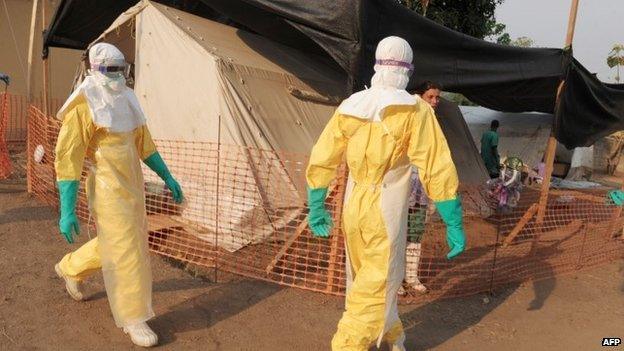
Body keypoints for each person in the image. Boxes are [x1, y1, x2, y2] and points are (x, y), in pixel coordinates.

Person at [306, 36, 466, 351]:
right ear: (408, 69)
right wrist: (453, 220)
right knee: (377, 283)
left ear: (377, 64)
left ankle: (393, 335)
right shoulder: (416, 111)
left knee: (364, 276)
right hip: (385, 208)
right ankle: (348, 344)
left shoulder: (351, 105)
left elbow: (322, 156)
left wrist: (316, 205)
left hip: (353, 205)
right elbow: (437, 166)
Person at [53, 42, 183, 348]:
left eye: (122, 70)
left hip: (132, 186)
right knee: (127, 248)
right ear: (95, 70)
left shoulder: (127, 100)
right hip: (107, 188)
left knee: (121, 241)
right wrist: (67, 209)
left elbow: (144, 144)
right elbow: (67, 158)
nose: (118, 77)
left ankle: (71, 267)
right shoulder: (85, 105)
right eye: (111, 70)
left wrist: (167, 176)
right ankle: (133, 317)